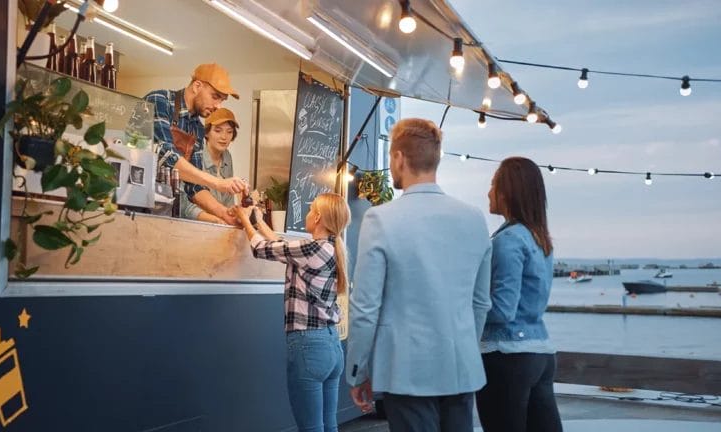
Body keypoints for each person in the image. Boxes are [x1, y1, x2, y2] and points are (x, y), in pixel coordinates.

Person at [345, 118, 492, 432]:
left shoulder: (380, 219)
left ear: (399, 158)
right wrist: (464, 345)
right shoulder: (474, 218)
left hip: (405, 370)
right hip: (460, 368)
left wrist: (358, 370)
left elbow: (365, 308)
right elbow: (480, 303)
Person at [232, 193, 351, 432]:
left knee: (311, 428)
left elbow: (261, 248)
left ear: (317, 218)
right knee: (329, 426)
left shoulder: (311, 248)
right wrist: (259, 221)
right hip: (332, 345)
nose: (307, 213)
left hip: (308, 346)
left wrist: (244, 219)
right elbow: (281, 246)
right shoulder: (327, 248)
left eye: (310, 209)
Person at [475, 156, 563, 432]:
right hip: (541, 353)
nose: (488, 192)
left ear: (508, 192)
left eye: (493, 185)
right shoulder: (539, 238)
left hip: (507, 354)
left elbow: (502, 310)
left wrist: (465, 309)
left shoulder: (507, 241)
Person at [145, 63, 247, 224]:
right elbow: (166, 156)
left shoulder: (197, 128)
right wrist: (218, 183)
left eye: (222, 100)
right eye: (215, 97)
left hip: (168, 213)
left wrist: (224, 213)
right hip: (138, 207)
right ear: (197, 86)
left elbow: (194, 187)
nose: (218, 106)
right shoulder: (159, 101)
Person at [179, 108, 240, 224]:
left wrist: (233, 215)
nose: (224, 137)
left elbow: (228, 201)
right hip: (193, 224)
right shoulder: (194, 154)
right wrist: (216, 220)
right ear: (206, 132)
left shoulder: (227, 157)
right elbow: (183, 205)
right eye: (218, 131)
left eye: (229, 132)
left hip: (219, 225)